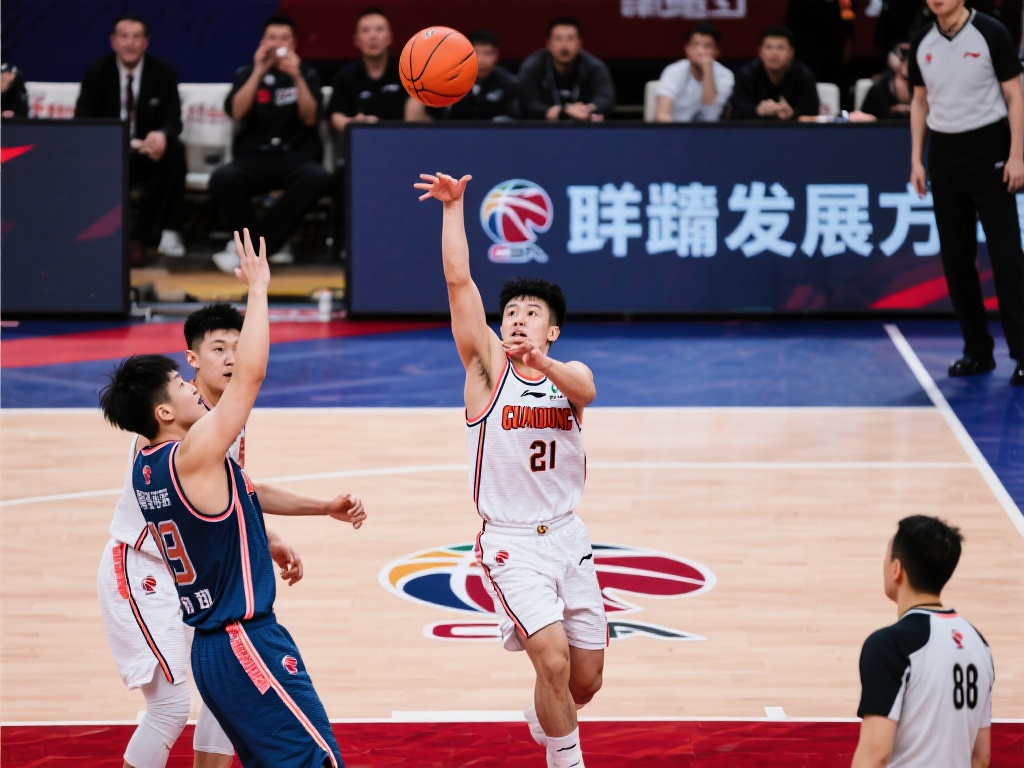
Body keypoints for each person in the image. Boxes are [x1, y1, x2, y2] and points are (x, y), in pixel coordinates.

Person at [100, 230, 364, 766]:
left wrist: (277, 531)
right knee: (172, 709)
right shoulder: (193, 443)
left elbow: (235, 496)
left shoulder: (184, 442)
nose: (226, 362)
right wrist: (260, 289)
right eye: (183, 380)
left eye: (234, 348)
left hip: (201, 594)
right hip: (156, 573)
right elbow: (253, 376)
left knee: (225, 712)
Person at [415, 172, 606, 768]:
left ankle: (545, 718)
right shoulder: (485, 372)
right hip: (511, 543)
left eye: (532, 312)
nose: (518, 318)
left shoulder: (568, 375)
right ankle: (566, 760)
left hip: (569, 536)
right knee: (551, 661)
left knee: (584, 681)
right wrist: (453, 208)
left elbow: (587, 391)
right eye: (512, 312)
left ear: (553, 329)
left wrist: (543, 362)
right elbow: (459, 282)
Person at [909, 0, 1024, 384]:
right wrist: (916, 159)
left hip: (989, 149)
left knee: (1007, 257)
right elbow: (919, 101)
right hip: (944, 154)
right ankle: (977, 351)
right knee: (957, 260)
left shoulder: (991, 32)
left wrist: (1017, 155)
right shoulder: (922, 41)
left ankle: (1022, 352)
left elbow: (1015, 95)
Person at [851, 515, 993, 767]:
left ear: (896, 569)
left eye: (886, 556)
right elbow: (980, 758)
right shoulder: (978, 644)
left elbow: (875, 754)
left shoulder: (888, 646)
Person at [209, 16, 331, 272]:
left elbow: (310, 118)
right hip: (255, 156)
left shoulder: (308, 73)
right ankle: (270, 245)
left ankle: (255, 248)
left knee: (317, 177)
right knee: (223, 178)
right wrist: (258, 72)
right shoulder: (246, 73)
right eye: (272, 38)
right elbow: (237, 112)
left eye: (284, 38)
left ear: (294, 44)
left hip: (297, 156)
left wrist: (297, 76)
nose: (277, 44)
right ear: (262, 43)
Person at [75, 13, 187, 265]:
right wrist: (111, 141)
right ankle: (98, 239)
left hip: (147, 154)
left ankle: (141, 238)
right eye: (124, 36)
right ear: (113, 41)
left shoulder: (164, 72)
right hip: (108, 152)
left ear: (145, 42)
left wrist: (162, 134)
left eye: (136, 37)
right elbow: (83, 119)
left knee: (175, 151)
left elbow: (173, 121)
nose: (130, 43)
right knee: (83, 156)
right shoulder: (97, 72)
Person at [518, 17, 616, 122]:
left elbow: (606, 99)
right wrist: (561, 112)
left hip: (583, 124)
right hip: (542, 127)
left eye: (570, 39)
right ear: (548, 44)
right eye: (558, 39)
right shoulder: (532, 66)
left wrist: (588, 109)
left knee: (598, 118)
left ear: (580, 43)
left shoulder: (594, 67)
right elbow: (528, 103)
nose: (564, 46)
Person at [728, 25, 820, 121]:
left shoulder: (803, 75)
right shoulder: (747, 75)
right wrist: (757, 111)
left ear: (791, 52)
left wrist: (793, 114)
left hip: (793, 129)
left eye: (780, 48)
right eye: (769, 47)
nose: (774, 53)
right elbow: (737, 113)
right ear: (760, 52)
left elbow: (812, 114)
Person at [426, 29, 519, 122]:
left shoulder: (509, 83)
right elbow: (430, 115)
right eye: (476, 53)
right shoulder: (448, 79)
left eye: (487, 53)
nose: (481, 59)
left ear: (496, 55)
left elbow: (511, 119)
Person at [654, 22, 735, 123]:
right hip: (676, 129)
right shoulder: (673, 71)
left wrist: (707, 69)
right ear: (687, 49)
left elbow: (711, 107)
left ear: (717, 52)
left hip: (711, 131)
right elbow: (662, 115)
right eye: (695, 45)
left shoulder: (726, 76)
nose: (701, 51)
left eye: (707, 46)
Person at [857, 42, 913, 121]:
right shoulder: (878, 88)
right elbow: (864, 119)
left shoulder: (923, 87)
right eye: (903, 78)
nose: (906, 84)